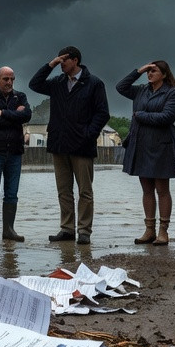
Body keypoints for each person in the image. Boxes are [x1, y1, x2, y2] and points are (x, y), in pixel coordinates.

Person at [29, 46, 110, 244]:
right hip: (59, 143)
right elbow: (34, 84)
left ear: (75, 60)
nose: (60, 64)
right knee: (64, 191)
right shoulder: (57, 82)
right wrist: (50, 65)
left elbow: (103, 113)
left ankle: (84, 231)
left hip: (82, 146)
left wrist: (88, 134)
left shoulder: (94, 83)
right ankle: (66, 229)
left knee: (85, 191)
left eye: (63, 60)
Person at [116, 61, 175, 245]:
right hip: (141, 145)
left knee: (162, 190)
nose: (150, 74)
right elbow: (120, 87)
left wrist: (141, 115)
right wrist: (139, 70)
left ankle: (163, 231)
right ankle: (149, 230)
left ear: (164, 74)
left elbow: (167, 117)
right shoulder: (141, 90)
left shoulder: (172, 92)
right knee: (146, 190)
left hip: (161, 146)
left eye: (153, 71)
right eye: (148, 71)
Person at [0, 67, 32, 242]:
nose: (9, 82)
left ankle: (8, 230)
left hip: (15, 151)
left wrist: (4, 113)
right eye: (5, 79)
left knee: (12, 193)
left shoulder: (20, 96)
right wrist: (15, 116)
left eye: (12, 79)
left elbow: (26, 115)